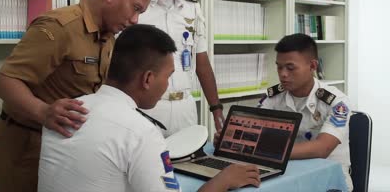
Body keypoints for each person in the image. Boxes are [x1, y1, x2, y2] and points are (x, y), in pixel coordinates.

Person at [38, 24, 261, 192]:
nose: (167, 85)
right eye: (168, 77)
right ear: (147, 79)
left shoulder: (65, 112)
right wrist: (223, 180)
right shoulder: (141, 132)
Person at [0, 0, 152, 192]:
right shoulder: (60, 27)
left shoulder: (109, 36)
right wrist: (43, 112)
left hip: (69, 146)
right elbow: (4, 82)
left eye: (140, 13)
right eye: (135, 8)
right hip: (28, 147)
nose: (135, 20)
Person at [138, 0, 224, 137]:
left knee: (189, 164)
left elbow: (201, 63)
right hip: (147, 109)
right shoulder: (137, 6)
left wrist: (216, 109)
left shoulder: (192, 8)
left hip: (185, 108)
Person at [260, 33, 353, 191]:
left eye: (290, 68)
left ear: (312, 66)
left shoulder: (337, 102)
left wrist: (268, 150)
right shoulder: (273, 97)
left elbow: (322, 148)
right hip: (287, 171)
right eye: (279, 67)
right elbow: (255, 132)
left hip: (329, 177)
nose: (283, 74)